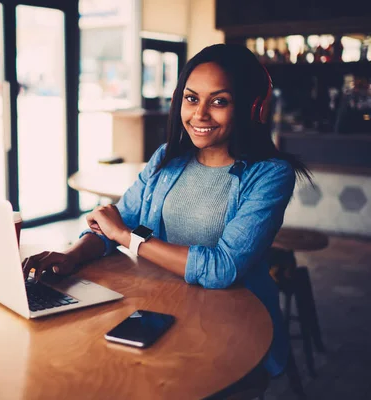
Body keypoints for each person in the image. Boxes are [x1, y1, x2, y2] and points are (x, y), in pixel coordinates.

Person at [22, 44, 311, 379]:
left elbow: (223, 268)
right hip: (161, 306)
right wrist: (71, 256)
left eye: (219, 101)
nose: (200, 114)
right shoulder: (165, 158)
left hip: (233, 322)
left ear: (252, 108)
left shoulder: (270, 175)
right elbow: (120, 220)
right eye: (191, 98)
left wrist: (127, 238)